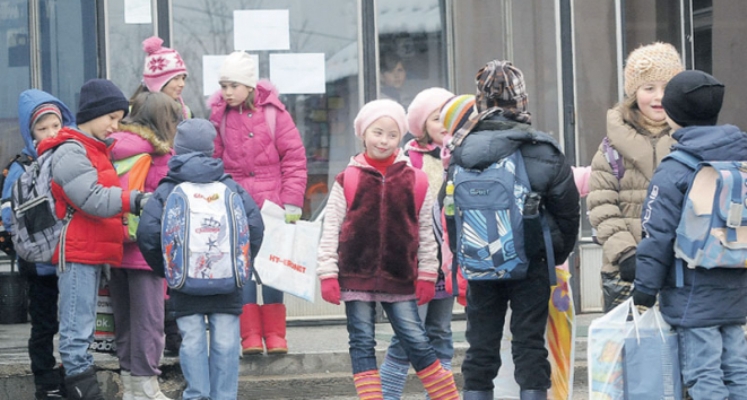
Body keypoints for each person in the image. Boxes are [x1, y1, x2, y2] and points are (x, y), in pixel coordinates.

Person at [449, 60, 579, 400]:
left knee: (480, 345)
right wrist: (548, 252)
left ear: (479, 101)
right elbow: (568, 214)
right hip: (530, 263)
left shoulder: (462, 150)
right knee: (529, 343)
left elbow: (448, 210)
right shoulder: (542, 149)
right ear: (521, 100)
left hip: (480, 263)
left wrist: (467, 251)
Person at [317, 99, 460, 400]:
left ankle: (447, 396)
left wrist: (427, 274)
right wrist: (328, 273)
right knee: (361, 342)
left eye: (392, 135)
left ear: (401, 138)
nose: (383, 140)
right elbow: (331, 229)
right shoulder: (347, 178)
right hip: (355, 275)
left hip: (401, 276)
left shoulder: (416, 180)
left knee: (416, 339)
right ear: (363, 133)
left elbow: (426, 232)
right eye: (377, 132)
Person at [633, 70, 747, 400]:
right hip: (737, 286)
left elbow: (657, 235)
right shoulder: (740, 159)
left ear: (672, 113)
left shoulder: (676, 167)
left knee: (703, 374)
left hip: (691, 292)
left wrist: (644, 288)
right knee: (738, 369)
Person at [137, 118, 264, 400]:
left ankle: (196, 395)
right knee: (226, 341)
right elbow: (255, 226)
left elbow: (147, 232)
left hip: (185, 284)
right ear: (211, 149)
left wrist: (169, 269)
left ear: (178, 149)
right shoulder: (229, 185)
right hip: (227, 281)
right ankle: (224, 396)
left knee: (192, 340)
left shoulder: (168, 188)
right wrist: (240, 264)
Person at [40, 79, 147, 400]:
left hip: (91, 250)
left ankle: (77, 389)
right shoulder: (72, 150)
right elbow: (91, 198)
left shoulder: (95, 149)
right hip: (77, 252)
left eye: (120, 119)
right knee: (77, 329)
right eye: (111, 117)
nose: (115, 126)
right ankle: (83, 391)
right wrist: (134, 200)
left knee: (82, 327)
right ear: (92, 113)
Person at [208, 51, 307, 355]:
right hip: (235, 202)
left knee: (274, 267)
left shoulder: (275, 114)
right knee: (244, 268)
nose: (227, 92)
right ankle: (250, 334)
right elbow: (213, 160)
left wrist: (292, 202)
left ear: (249, 86)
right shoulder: (219, 117)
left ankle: (276, 334)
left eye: (233, 85)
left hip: (272, 204)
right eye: (223, 85)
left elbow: (294, 158)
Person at [587, 42, 684, 312]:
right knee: (628, 338)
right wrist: (625, 252)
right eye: (649, 88)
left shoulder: (690, 140)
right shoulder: (611, 148)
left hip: (681, 267)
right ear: (633, 93)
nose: (659, 97)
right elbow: (602, 205)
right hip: (626, 270)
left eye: (667, 88)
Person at [378, 87, 456, 399]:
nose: (444, 125)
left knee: (441, 331)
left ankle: (439, 395)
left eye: (448, 117)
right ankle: (387, 394)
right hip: (415, 263)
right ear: (421, 124)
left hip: (447, 262)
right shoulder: (408, 160)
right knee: (408, 335)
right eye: (436, 118)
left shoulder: (460, 156)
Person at [108, 91, 182, 400]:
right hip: (146, 253)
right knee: (150, 322)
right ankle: (147, 388)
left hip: (114, 246)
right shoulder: (162, 156)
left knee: (124, 320)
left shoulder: (113, 147)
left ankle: (130, 386)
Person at [3, 89, 74, 400]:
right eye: (42, 128)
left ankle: (72, 375)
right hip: (38, 262)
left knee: (73, 322)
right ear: (30, 132)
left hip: (70, 255)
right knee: (44, 323)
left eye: (55, 125)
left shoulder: (70, 154)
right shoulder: (21, 165)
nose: (50, 133)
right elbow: (8, 209)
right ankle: (46, 381)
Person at [130, 36, 191, 120]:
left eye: (183, 78)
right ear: (157, 83)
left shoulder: (184, 113)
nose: (182, 84)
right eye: (176, 78)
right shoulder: (132, 114)